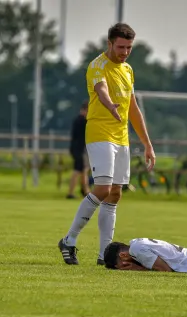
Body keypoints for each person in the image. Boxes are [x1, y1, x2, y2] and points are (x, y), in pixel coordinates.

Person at [58, 23, 156, 266]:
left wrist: (147, 144)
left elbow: (133, 108)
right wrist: (109, 103)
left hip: (121, 137)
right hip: (100, 133)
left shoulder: (128, 70)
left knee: (115, 194)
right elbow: (101, 89)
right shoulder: (97, 65)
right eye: (121, 47)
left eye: (129, 47)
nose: (124, 52)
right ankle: (69, 240)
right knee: (102, 189)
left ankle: (104, 255)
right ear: (109, 43)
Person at [66, 101, 90, 199]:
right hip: (78, 149)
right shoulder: (82, 121)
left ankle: (86, 190)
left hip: (78, 149)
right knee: (77, 170)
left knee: (84, 170)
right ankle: (70, 193)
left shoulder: (78, 120)